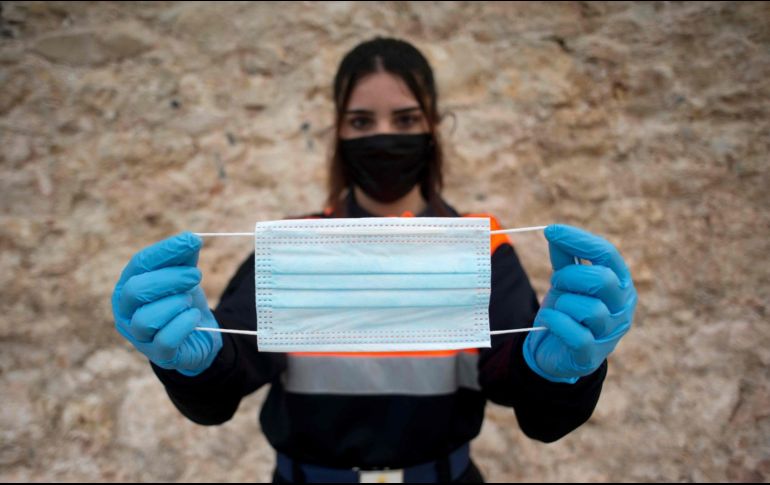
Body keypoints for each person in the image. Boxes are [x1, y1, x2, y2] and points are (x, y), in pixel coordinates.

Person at [111, 37, 637, 483]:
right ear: (339, 133)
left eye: (405, 118)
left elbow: (528, 402)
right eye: (362, 121)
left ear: (433, 126)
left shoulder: (482, 249)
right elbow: (225, 384)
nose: (383, 137)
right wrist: (189, 365)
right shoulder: (296, 247)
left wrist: (563, 376)